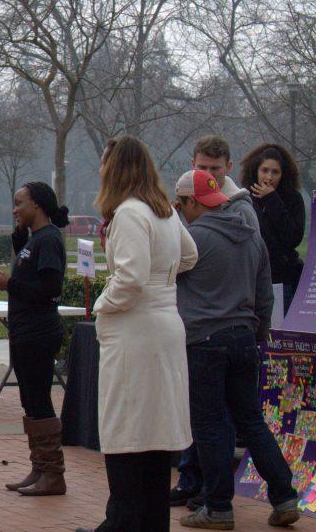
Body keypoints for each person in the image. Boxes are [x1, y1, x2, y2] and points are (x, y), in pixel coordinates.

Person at [76, 137, 198, 532]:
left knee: (128, 432)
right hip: (165, 325)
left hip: (136, 334)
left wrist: (101, 304)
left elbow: (129, 279)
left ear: (115, 169)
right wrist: (162, 283)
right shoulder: (162, 210)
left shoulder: (129, 212)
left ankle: (124, 521)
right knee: (155, 436)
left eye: (103, 164)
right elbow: (190, 255)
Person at [173, 170, 300, 529]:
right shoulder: (250, 235)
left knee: (210, 426)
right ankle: (285, 496)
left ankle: (217, 508)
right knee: (251, 421)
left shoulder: (193, 239)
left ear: (192, 202)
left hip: (205, 342)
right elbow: (264, 295)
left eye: (182, 204)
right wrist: (257, 333)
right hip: (244, 337)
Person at [0, 181, 70, 497]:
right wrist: (19, 240)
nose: (14, 209)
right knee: (29, 399)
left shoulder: (49, 240)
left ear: (36, 205)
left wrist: (11, 285)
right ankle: (39, 467)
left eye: (19, 202)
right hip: (24, 330)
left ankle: (54, 473)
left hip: (38, 331)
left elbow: (50, 288)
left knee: (39, 399)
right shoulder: (35, 239)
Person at [239, 143, 306, 313]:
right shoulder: (244, 198)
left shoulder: (293, 199)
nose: (269, 177)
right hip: (251, 280)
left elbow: (292, 238)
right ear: (256, 170)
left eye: (275, 172)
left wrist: (272, 200)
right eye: (265, 170)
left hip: (283, 279)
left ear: (283, 174)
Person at [191, 136, 258, 232]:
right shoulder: (183, 206)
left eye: (215, 168)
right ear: (193, 164)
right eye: (202, 167)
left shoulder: (242, 211)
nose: (208, 174)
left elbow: (255, 246)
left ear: (228, 167)